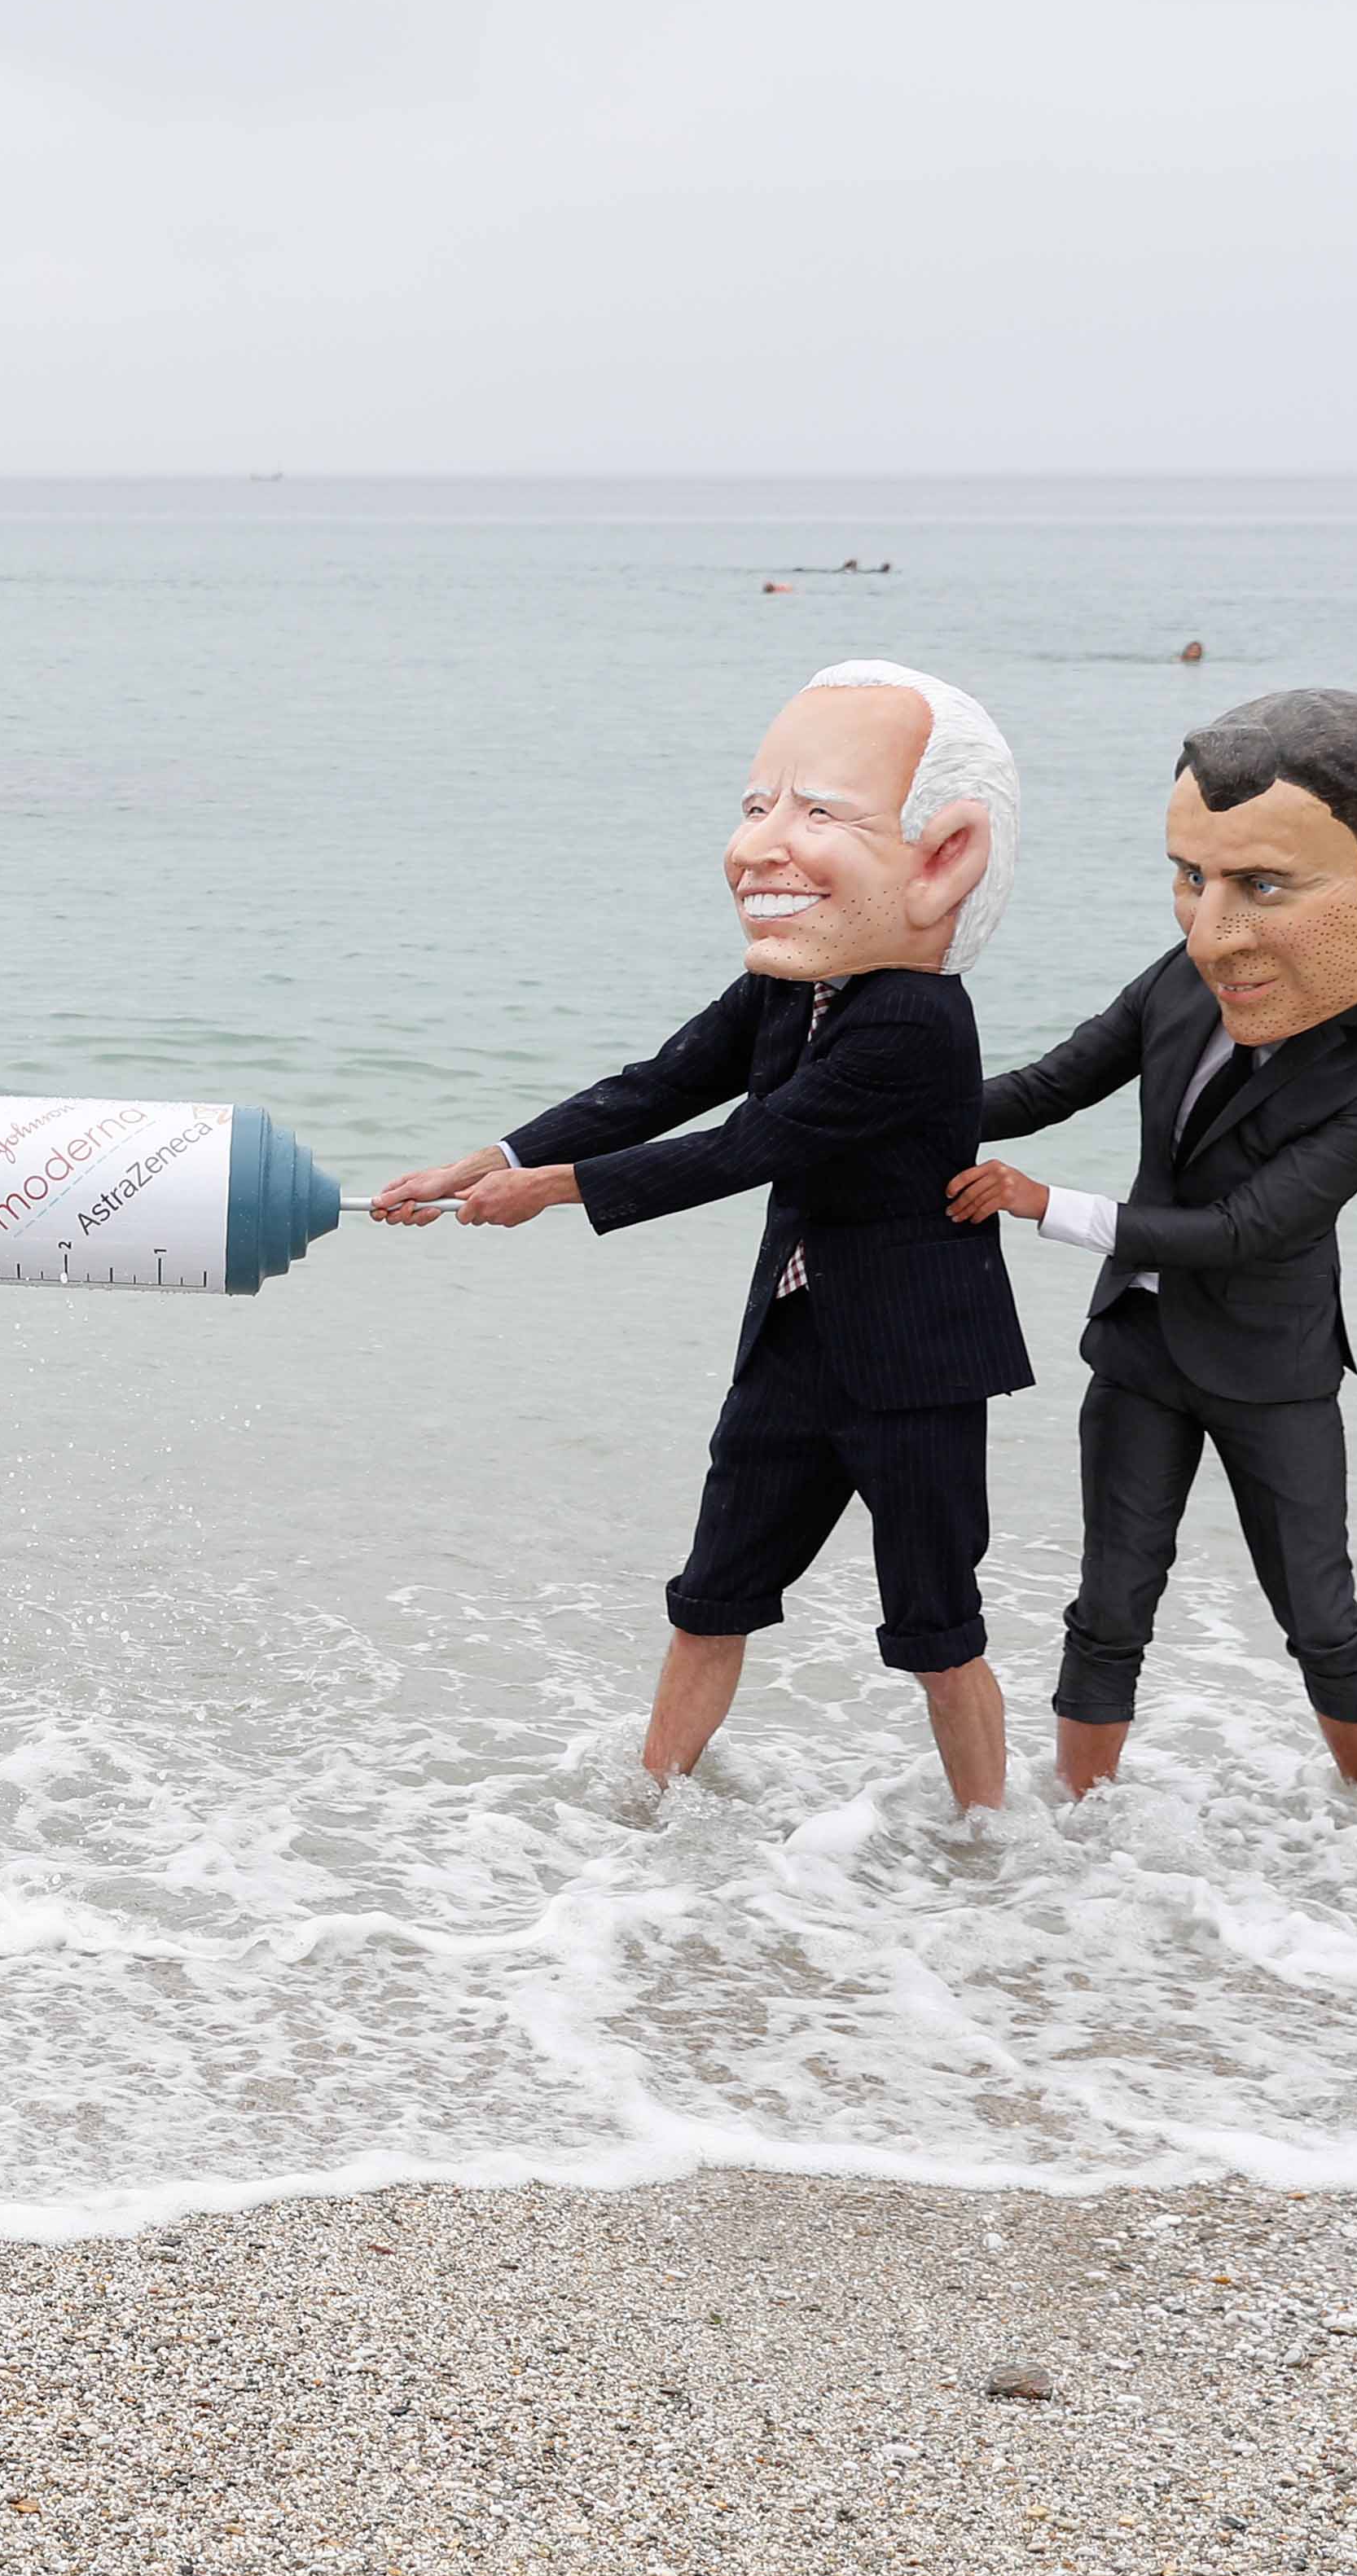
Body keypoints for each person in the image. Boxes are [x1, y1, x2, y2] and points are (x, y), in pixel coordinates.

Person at [374, 660, 1034, 1812]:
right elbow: (663, 1083)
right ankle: (646, 1812)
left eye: (818, 813)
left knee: (936, 1630)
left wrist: (553, 1192)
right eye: (756, 807)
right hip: (795, 1336)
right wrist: (490, 1157)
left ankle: (991, 1844)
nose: (761, 844)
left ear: (942, 858)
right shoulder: (789, 984)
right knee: (710, 1596)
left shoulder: (915, 1019)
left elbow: (748, 1145)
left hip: (916, 1361)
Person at [946, 689, 1357, 1805]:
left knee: (1318, 1613)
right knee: (1109, 1603)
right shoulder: (1182, 978)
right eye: (1193, 879)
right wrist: (891, 1104)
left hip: (1272, 1367)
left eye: (1260, 885)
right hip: (1140, 1347)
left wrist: (1041, 1204)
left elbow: (1247, 1229)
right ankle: (1078, 1831)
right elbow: (1050, 1083)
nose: (1211, 927)